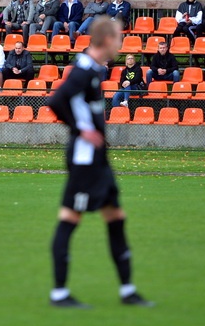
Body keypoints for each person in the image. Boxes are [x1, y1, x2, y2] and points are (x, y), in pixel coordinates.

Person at [45, 18, 152, 309]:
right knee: (70, 219)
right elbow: (56, 102)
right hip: (83, 161)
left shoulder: (95, 70)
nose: (121, 43)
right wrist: (82, 131)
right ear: (106, 40)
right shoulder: (82, 70)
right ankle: (59, 295)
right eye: (119, 38)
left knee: (116, 218)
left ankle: (128, 290)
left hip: (98, 161)